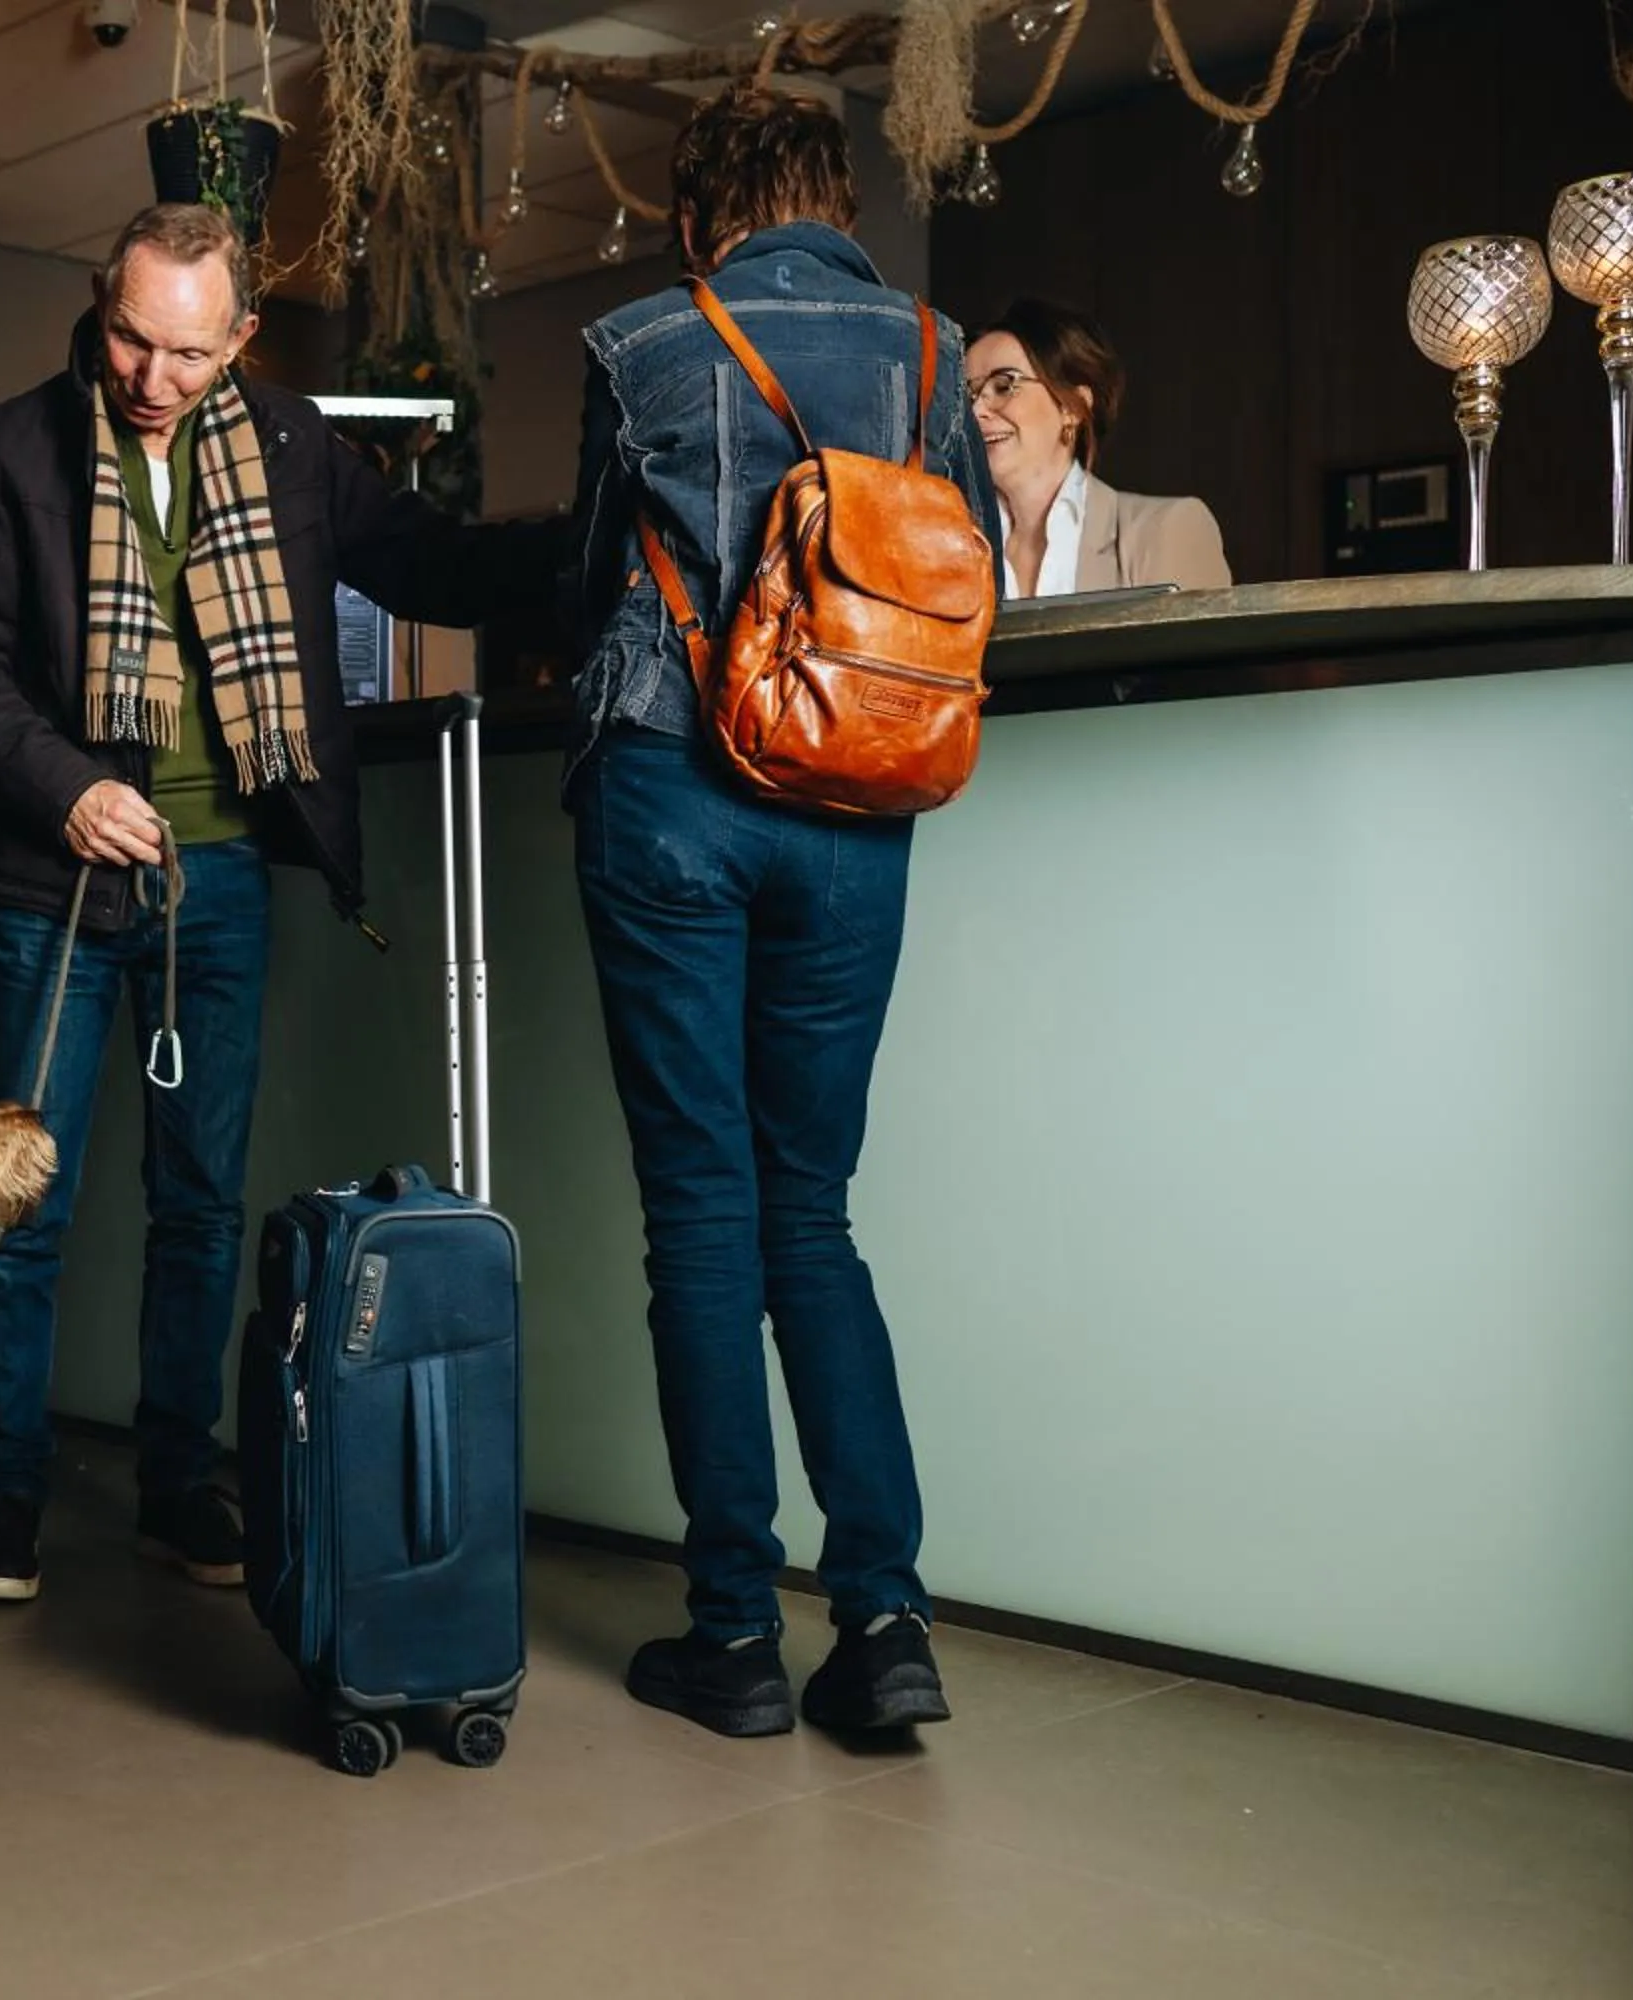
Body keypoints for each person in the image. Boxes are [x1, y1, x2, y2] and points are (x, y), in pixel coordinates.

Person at [0, 202, 561, 1604]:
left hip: (218, 884)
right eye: (131, 339)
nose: (153, 377)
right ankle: (5, 1498)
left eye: (190, 353)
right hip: (55, 884)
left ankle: (172, 1487)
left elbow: (429, 562)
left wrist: (607, 538)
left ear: (243, 338)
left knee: (201, 1206)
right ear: (102, 301)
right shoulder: (8, 450)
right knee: (22, 1205)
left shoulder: (289, 445)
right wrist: (65, 786)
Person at [564, 83, 1001, 1741]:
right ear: (840, 202)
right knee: (811, 1211)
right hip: (855, 810)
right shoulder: (936, 356)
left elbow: (586, 582)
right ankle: (884, 1622)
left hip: (672, 787)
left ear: (698, 217)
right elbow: (976, 577)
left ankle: (735, 1639)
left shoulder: (639, 346)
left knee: (703, 1213)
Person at [966, 298, 1229, 598]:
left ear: (1072, 406)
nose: (976, 411)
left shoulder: (1167, 531)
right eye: (968, 394)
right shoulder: (954, 550)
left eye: (1004, 385)